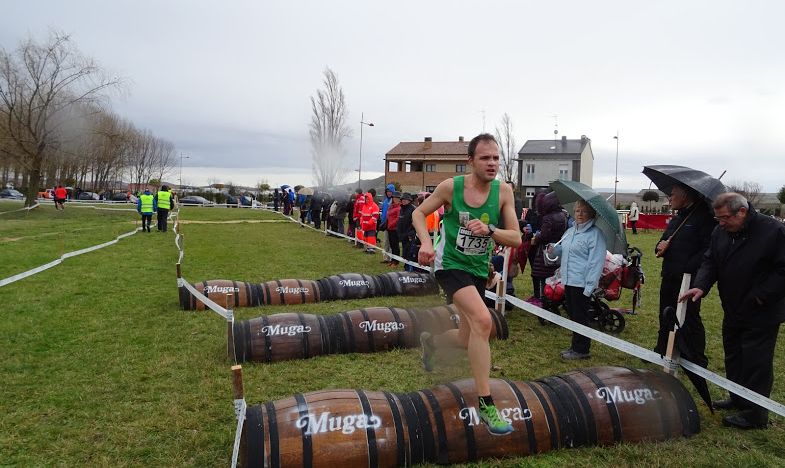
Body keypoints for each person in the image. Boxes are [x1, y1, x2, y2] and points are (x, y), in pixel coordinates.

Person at [414, 133, 521, 435]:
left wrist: (489, 230)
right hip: (449, 266)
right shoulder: (451, 188)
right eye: (485, 158)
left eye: (496, 158)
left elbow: (516, 237)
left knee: (466, 338)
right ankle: (486, 404)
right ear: (470, 161)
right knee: (483, 320)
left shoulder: (504, 192)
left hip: (476, 269)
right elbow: (419, 213)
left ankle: (431, 343)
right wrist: (425, 243)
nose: (492, 163)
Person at [680, 193, 785, 429]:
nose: (721, 223)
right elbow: (710, 261)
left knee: (756, 361)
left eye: (725, 218)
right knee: (734, 355)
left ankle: (756, 414)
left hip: (762, 311)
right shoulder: (721, 232)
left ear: (742, 212)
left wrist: (760, 297)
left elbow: (783, 271)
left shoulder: (773, 231)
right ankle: (737, 398)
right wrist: (700, 285)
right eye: (718, 218)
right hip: (733, 306)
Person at [653, 184, 715, 364]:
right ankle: (662, 349)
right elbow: (662, 240)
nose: (669, 199)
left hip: (689, 279)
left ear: (685, 196)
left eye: (672, 195)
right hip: (669, 275)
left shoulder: (704, 218)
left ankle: (695, 357)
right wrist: (660, 246)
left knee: (689, 318)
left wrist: (687, 267)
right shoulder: (676, 219)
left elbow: (707, 250)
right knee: (665, 313)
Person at [548, 199, 606, 360]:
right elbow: (563, 251)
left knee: (580, 316)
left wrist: (590, 286)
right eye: (577, 211)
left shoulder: (595, 235)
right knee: (573, 315)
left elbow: (596, 261)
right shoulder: (570, 231)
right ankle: (575, 345)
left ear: (591, 214)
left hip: (582, 282)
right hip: (568, 280)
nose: (580, 214)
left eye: (584, 211)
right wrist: (554, 249)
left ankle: (582, 349)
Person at [530, 192, 568, 306]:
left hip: (545, 252)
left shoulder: (547, 218)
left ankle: (545, 301)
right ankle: (555, 298)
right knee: (554, 276)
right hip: (557, 249)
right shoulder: (563, 216)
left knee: (543, 278)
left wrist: (536, 237)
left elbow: (544, 236)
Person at [397, 193, 416, 270]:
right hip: (403, 235)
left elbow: (414, 223)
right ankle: (406, 267)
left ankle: (410, 269)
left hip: (410, 236)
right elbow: (400, 222)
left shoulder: (413, 209)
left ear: (409, 200)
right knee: (405, 253)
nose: (404, 201)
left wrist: (410, 234)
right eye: (402, 200)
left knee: (410, 253)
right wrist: (399, 233)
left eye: (405, 200)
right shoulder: (402, 209)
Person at [385, 192, 402, 266]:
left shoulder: (399, 207)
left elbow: (398, 219)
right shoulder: (391, 206)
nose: (395, 199)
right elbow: (388, 216)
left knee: (395, 246)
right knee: (392, 245)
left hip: (395, 229)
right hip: (389, 228)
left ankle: (396, 261)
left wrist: (391, 224)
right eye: (394, 198)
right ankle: (392, 260)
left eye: (397, 198)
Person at [380, 184, 395, 262]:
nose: (389, 193)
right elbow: (383, 212)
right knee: (386, 241)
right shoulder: (385, 201)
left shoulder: (394, 201)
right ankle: (386, 258)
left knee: (392, 242)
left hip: (392, 225)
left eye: (390, 191)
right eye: (387, 191)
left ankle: (392, 258)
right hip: (385, 224)